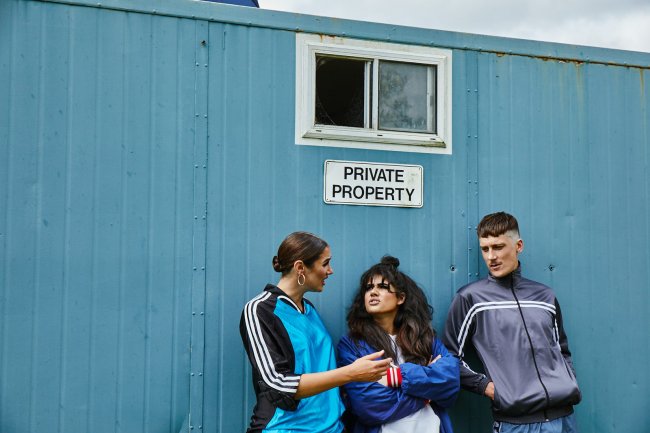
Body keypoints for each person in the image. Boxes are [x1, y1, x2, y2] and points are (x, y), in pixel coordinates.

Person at [239, 231, 391, 433]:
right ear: (300, 267)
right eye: (325, 263)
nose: (330, 271)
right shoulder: (260, 309)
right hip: (286, 429)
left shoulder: (310, 310)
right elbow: (276, 383)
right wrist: (351, 373)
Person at [443, 212, 581, 433]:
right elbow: (448, 358)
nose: (491, 257)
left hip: (564, 419)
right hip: (515, 424)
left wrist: (567, 380)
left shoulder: (545, 296)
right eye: (485, 249)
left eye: (498, 247)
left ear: (518, 246)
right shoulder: (471, 299)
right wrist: (489, 388)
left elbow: (561, 350)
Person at [337, 255, 460, 433]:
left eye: (382, 287)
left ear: (401, 298)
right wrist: (427, 395)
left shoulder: (423, 338)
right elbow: (369, 406)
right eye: (369, 288)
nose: (373, 292)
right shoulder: (352, 345)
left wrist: (397, 376)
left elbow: (450, 383)